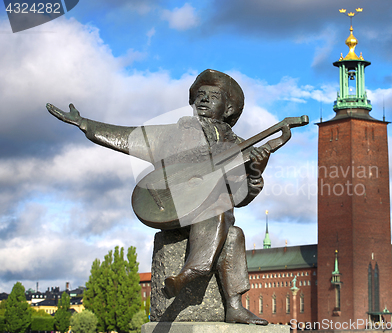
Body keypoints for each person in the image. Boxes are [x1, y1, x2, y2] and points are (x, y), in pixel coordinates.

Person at [46, 69, 269, 325]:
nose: (204, 99)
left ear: (229, 108)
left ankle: (233, 306)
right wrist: (84, 123)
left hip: (212, 219)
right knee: (218, 208)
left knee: (234, 234)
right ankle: (193, 271)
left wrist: (254, 174)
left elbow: (241, 198)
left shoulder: (240, 145)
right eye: (200, 94)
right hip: (169, 207)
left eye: (213, 96)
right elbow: (124, 136)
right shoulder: (171, 134)